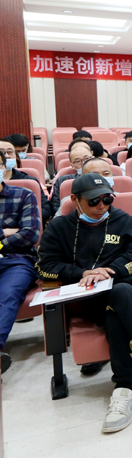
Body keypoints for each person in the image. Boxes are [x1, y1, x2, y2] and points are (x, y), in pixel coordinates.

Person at [37, 173, 132, 433]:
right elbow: (45, 266)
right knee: (117, 301)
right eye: (93, 201)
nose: (102, 206)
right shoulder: (59, 228)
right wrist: (81, 273)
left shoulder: (121, 219)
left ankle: (123, 390)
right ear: (75, 200)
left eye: (107, 199)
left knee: (119, 305)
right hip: (96, 298)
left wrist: (112, 270)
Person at [0, 150, 39, 373]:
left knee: (8, 293)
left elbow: (29, 234)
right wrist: (5, 231)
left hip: (17, 260)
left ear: (4, 167)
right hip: (12, 250)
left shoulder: (23, 195)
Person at [0, 139, 50, 219]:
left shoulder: (29, 181)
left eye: (10, 152)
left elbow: (45, 210)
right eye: (2, 152)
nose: (6, 156)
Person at [50, 144, 92, 216]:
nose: (84, 163)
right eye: (78, 161)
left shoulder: (108, 177)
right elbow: (55, 206)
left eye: (87, 158)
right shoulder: (63, 180)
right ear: (72, 165)